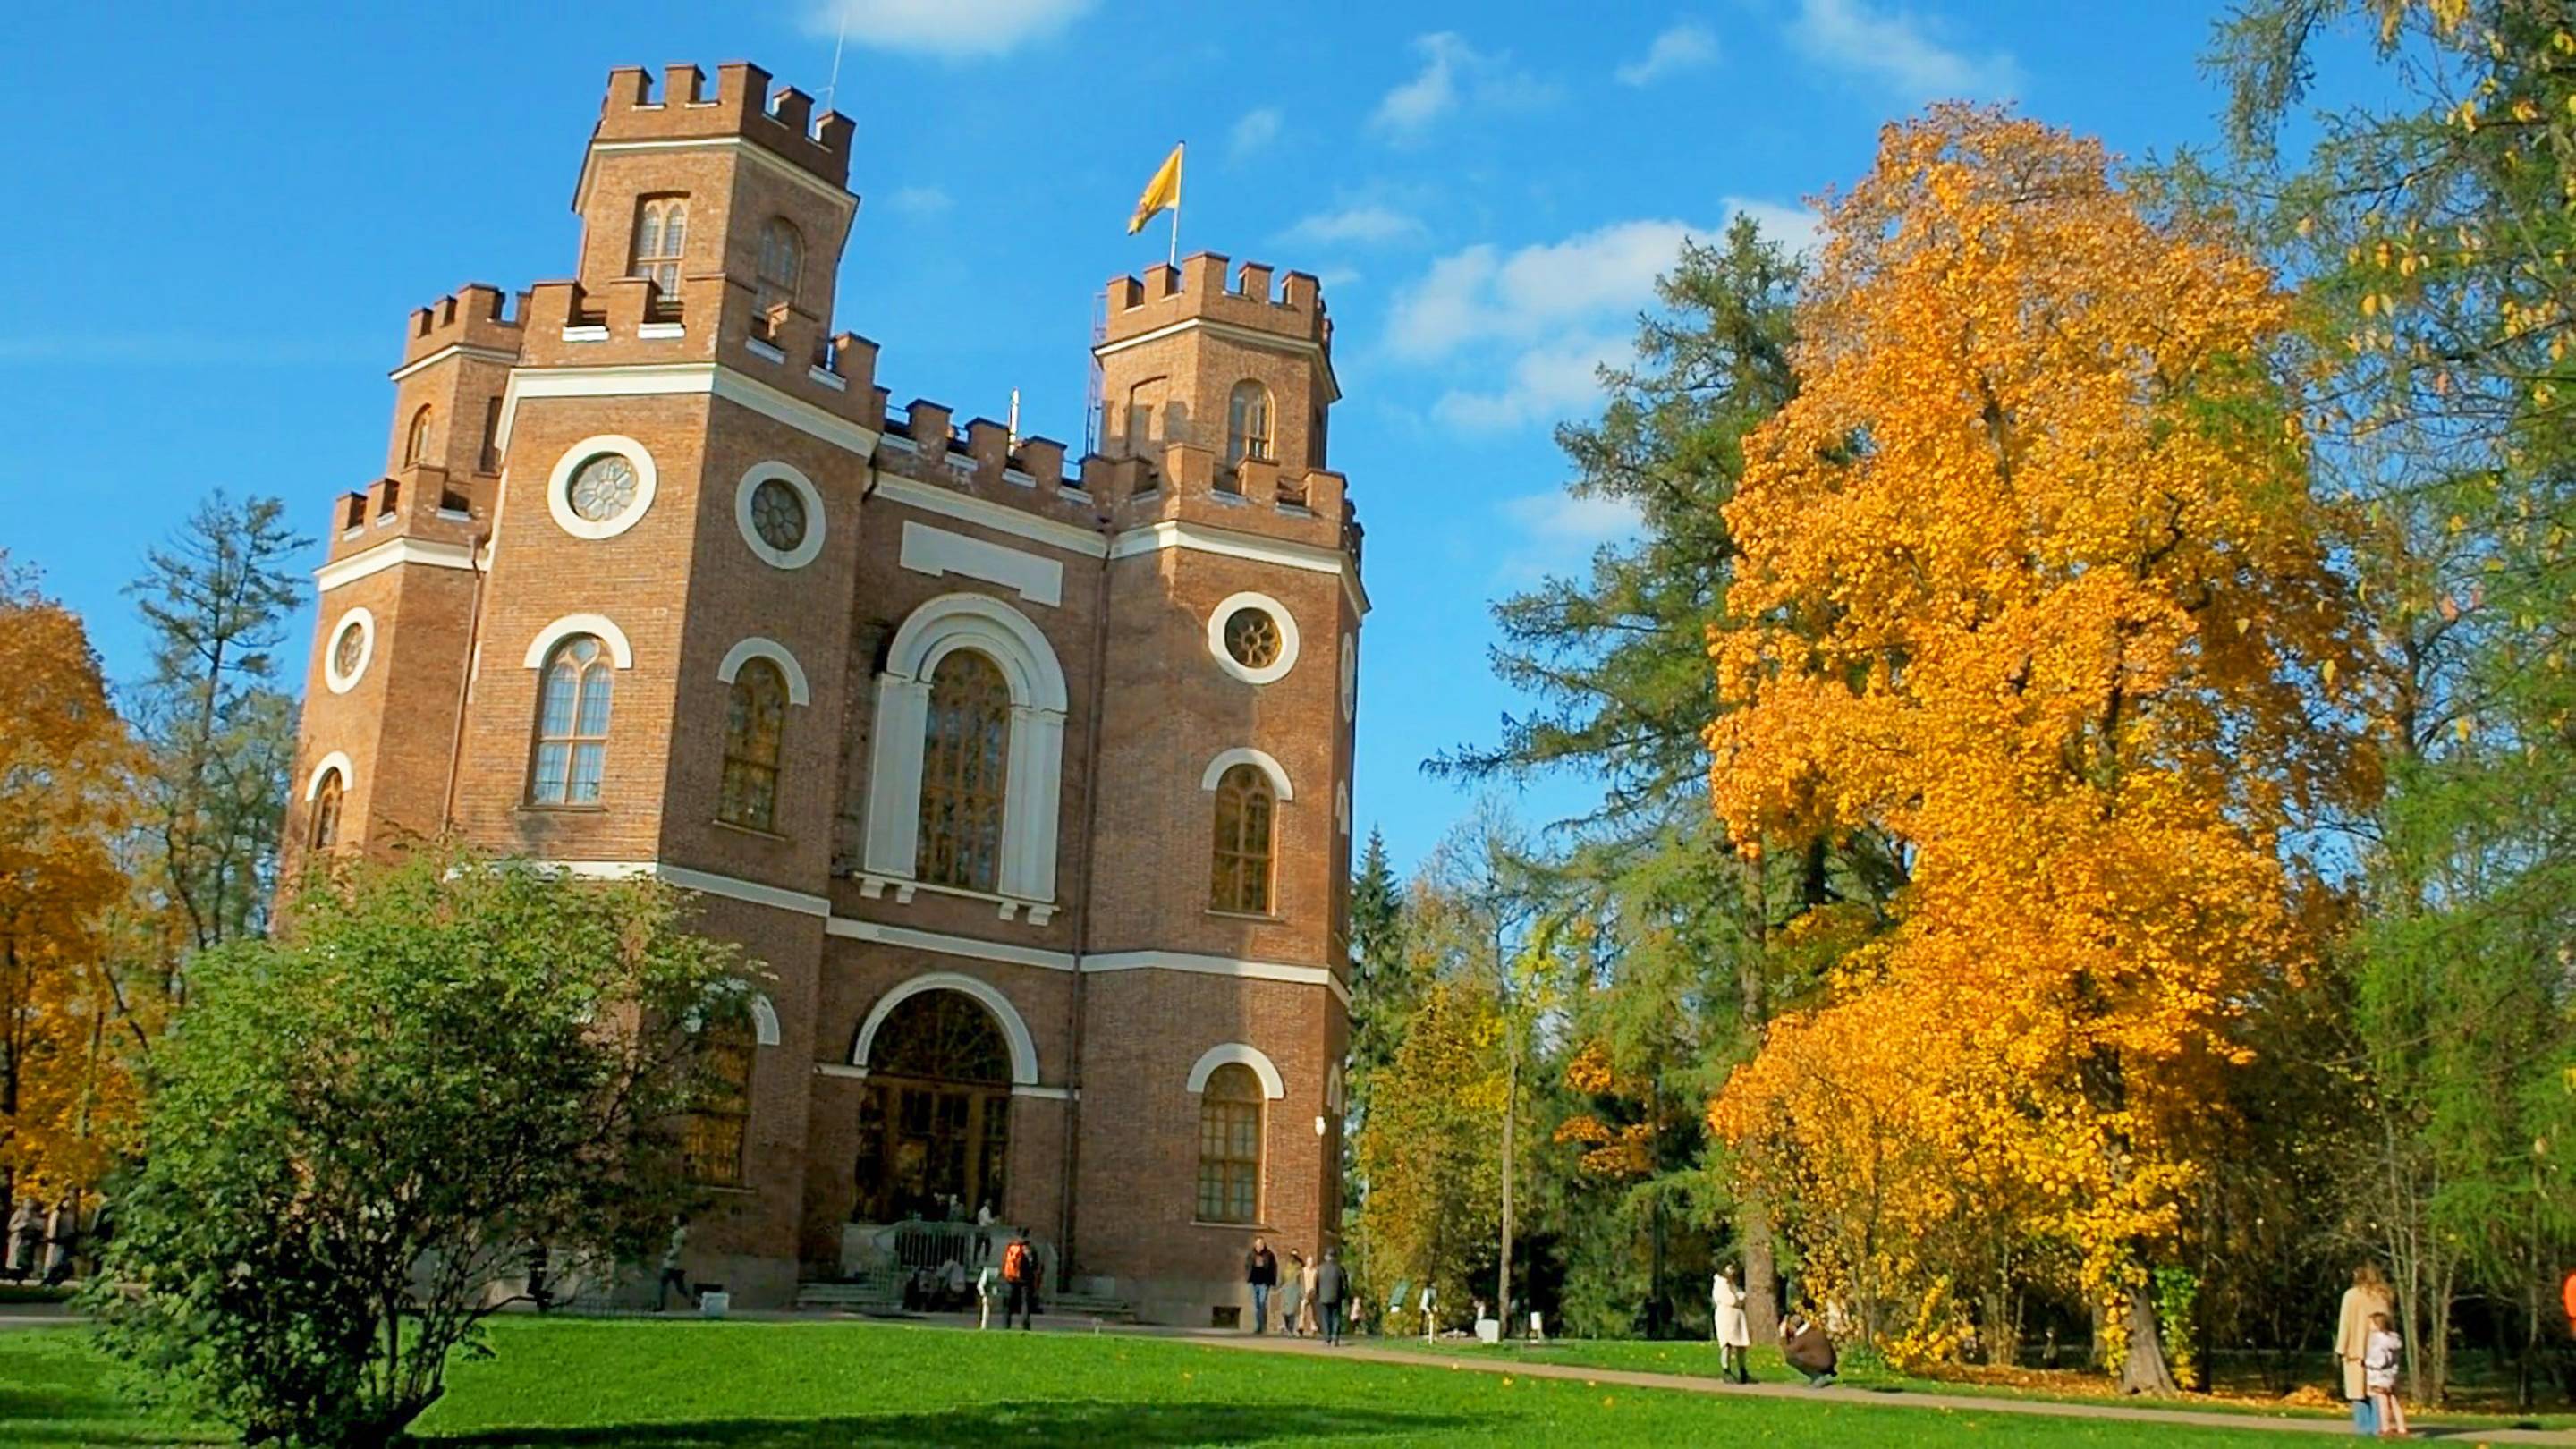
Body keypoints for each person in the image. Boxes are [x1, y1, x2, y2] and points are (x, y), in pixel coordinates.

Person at [2336, 1262, 2394, 1436]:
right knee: (2375, 1390)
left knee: (2357, 1391)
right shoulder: (2383, 1295)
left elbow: (2345, 1323)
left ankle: (2364, 1428)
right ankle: (2378, 1426)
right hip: (2378, 1350)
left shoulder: (2351, 1296)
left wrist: (2341, 1347)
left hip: (2354, 1349)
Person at [2364, 1310, 2408, 1438]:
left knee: (2382, 1401)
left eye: (2371, 1323)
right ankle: (2402, 1428)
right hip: (2392, 1375)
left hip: (2380, 1376)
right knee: (2395, 1401)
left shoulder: (2378, 1341)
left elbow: (2378, 1359)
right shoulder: (2394, 1339)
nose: (2369, 1326)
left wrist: (2368, 1363)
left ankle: (2386, 1427)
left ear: (2378, 1325)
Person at [1712, 1263, 1752, 1385]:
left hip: (1737, 1317)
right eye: (1729, 1268)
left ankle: (1743, 1370)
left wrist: (1740, 1298)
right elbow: (1731, 1299)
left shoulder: (1732, 1284)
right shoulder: (1720, 1284)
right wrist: (1738, 1299)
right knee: (1727, 1344)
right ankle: (1726, 1371)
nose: (1732, 1271)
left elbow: (1741, 1296)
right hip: (1726, 1317)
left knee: (1741, 1345)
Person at [1783, 1308, 1837, 1387]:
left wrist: (1783, 1335)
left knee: (1791, 1358)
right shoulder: (1814, 1330)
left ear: (1794, 1326)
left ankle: (1817, 1377)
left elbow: (1788, 1351)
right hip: (1829, 1362)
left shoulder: (1802, 1338)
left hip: (1821, 1363)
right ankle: (1819, 1375)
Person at [1002, 1228, 1041, 1329]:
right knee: (1025, 1303)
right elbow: (1035, 1265)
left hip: (1011, 1279)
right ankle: (1025, 1325)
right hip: (1025, 1280)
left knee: (1008, 1304)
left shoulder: (1011, 1246)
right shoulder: (1029, 1248)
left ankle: (1005, 1325)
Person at [1313, 1247, 1349, 1345]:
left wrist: (1317, 1295)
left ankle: (1327, 1338)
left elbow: (1316, 1283)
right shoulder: (1340, 1268)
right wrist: (1344, 1295)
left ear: (1326, 1256)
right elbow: (1344, 1284)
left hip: (1323, 1297)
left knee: (1325, 1318)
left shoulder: (1320, 1268)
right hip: (1336, 1297)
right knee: (1336, 1317)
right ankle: (1335, 1337)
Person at [655, 1218, 690, 1312]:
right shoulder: (681, 1232)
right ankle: (697, 1302)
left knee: (663, 1283)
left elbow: (677, 1248)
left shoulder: (679, 1233)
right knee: (680, 1288)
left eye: (675, 1219)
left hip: (672, 1264)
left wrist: (669, 1254)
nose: (673, 1221)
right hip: (676, 1264)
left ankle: (661, 1306)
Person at [1245, 1237, 1278, 1334]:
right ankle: (1259, 1326)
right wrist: (1248, 1276)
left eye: (1261, 1244)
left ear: (1264, 1244)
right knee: (1257, 1305)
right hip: (1255, 1282)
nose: (1259, 1246)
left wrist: (1273, 1281)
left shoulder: (1269, 1254)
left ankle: (1261, 1325)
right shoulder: (1251, 1254)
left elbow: (1274, 1268)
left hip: (1264, 1282)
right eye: (1258, 1244)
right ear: (1255, 1245)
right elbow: (1247, 1265)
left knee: (1262, 1303)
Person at [1278, 1250, 1308, 1336]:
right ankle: (1287, 1327)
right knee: (1285, 1310)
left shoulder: (1300, 1267)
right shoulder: (1285, 1266)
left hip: (1295, 1290)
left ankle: (1290, 1328)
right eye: (1291, 1256)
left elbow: (1302, 1280)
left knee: (1293, 1311)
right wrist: (1278, 1286)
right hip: (1286, 1289)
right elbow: (1281, 1277)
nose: (1292, 1258)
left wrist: (1302, 1292)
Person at [977, 1259, 1000, 1330]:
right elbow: (980, 1285)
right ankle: (984, 1326)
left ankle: (984, 1326)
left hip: (990, 1292)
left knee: (987, 1310)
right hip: (988, 1293)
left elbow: (980, 1285)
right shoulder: (988, 1271)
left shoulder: (988, 1271)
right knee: (986, 1309)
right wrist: (984, 1294)